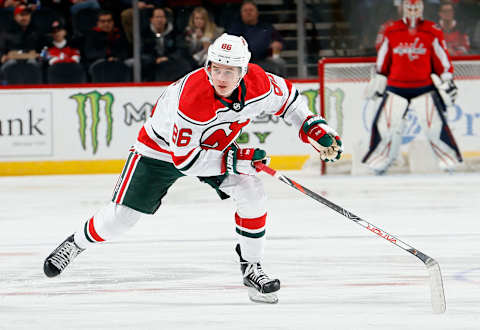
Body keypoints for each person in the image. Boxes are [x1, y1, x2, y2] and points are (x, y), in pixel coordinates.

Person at [43, 33, 343, 304]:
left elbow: (291, 103)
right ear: (208, 66)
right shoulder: (193, 99)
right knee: (122, 219)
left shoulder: (259, 82)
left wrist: (314, 129)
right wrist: (238, 159)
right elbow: (185, 161)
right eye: (216, 68)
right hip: (159, 152)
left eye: (229, 71)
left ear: (244, 70)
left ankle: (251, 266)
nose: (221, 77)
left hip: (212, 148)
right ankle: (76, 243)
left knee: (252, 190)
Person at [362, 0, 462, 175]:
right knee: (389, 125)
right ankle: (381, 159)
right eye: (410, 8)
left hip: (424, 87)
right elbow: (383, 57)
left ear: (422, 9)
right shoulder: (391, 30)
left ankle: (448, 157)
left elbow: (441, 56)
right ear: (403, 9)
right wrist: (379, 76)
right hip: (395, 87)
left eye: (416, 8)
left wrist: (446, 76)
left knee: (434, 126)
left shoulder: (432, 30)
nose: (413, 11)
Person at [227, 0, 286, 77]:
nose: (248, 12)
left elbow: (281, 42)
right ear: (241, 13)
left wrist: (278, 44)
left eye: (251, 10)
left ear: (257, 12)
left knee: (279, 63)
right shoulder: (234, 29)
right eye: (245, 10)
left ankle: (280, 87)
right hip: (241, 62)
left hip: (264, 60)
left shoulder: (267, 27)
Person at [140, 6, 192, 81]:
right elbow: (142, 53)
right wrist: (155, 60)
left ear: (166, 19)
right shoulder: (145, 34)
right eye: (157, 17)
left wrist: (168, 58)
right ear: (151, 19)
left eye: (162, 17)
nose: (159, 20)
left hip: (171, 64)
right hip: (152, 66)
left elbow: (181, 50)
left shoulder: (175, 32)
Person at [0, 4, 43, 71]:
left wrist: (40, 54)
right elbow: (2, 49)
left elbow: (41, 49)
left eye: (27, 15)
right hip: (11, 61)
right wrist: (2, 56)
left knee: (35, 65)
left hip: (31, 61)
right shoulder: (7, 31)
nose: (24, 18)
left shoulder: (36, 30)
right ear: (15, 17)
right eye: (22, 15)